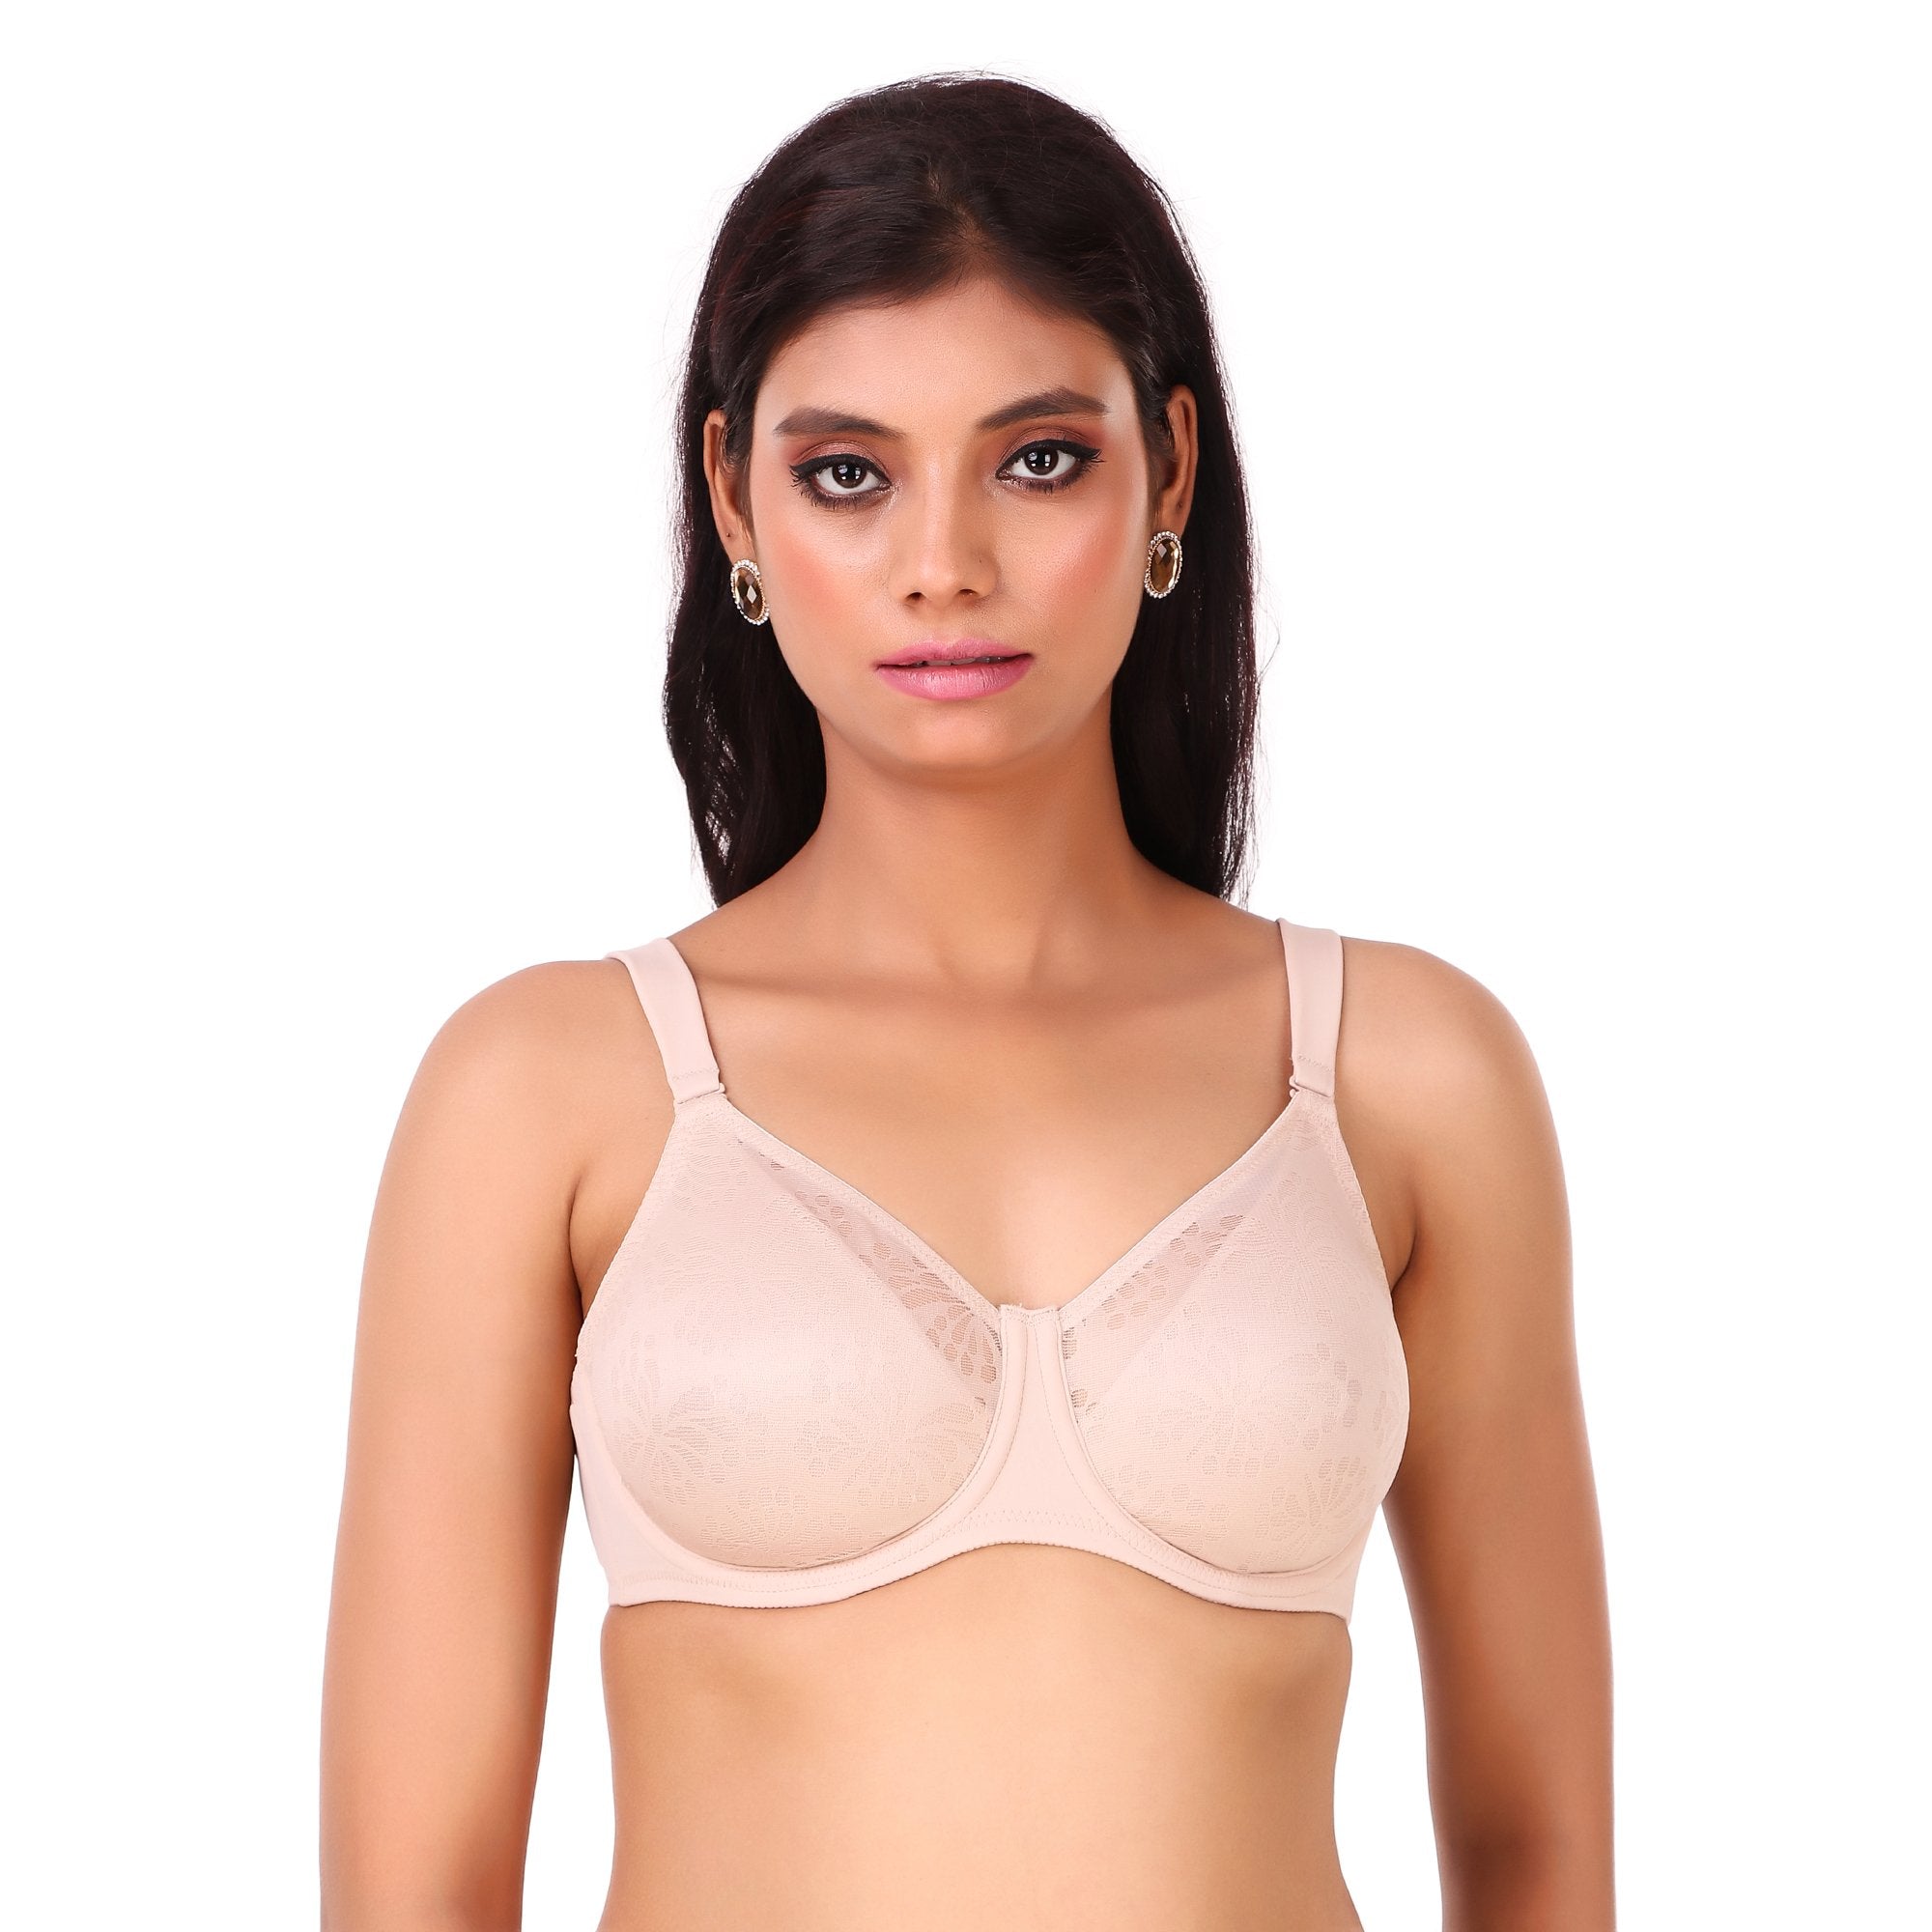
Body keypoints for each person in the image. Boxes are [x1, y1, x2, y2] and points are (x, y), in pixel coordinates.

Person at [320, 71, 1613, 1931]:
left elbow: (1539, 1849)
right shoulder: (548, 1091)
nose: (944, 565)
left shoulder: (1405, 1072)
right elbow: (415, 1888)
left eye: (1038, 459)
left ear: (1170, 469)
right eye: (848, 473)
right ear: (732, 499)